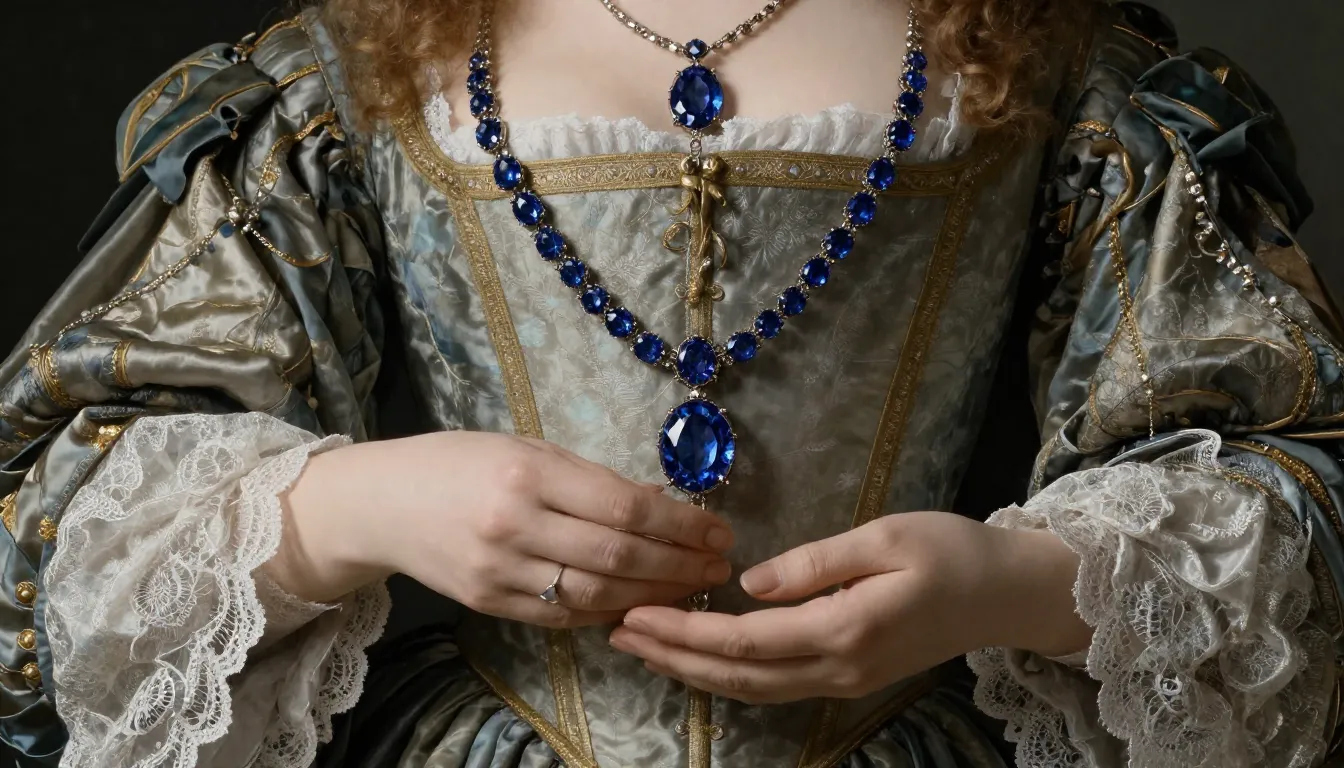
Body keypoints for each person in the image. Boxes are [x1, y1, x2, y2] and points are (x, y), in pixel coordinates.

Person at [1, 0, 1341, 765]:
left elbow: (1278, 466)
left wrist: (1013, 585)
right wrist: (361, 506)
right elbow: (68, 510)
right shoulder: (355, 61)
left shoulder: (1049, 59)